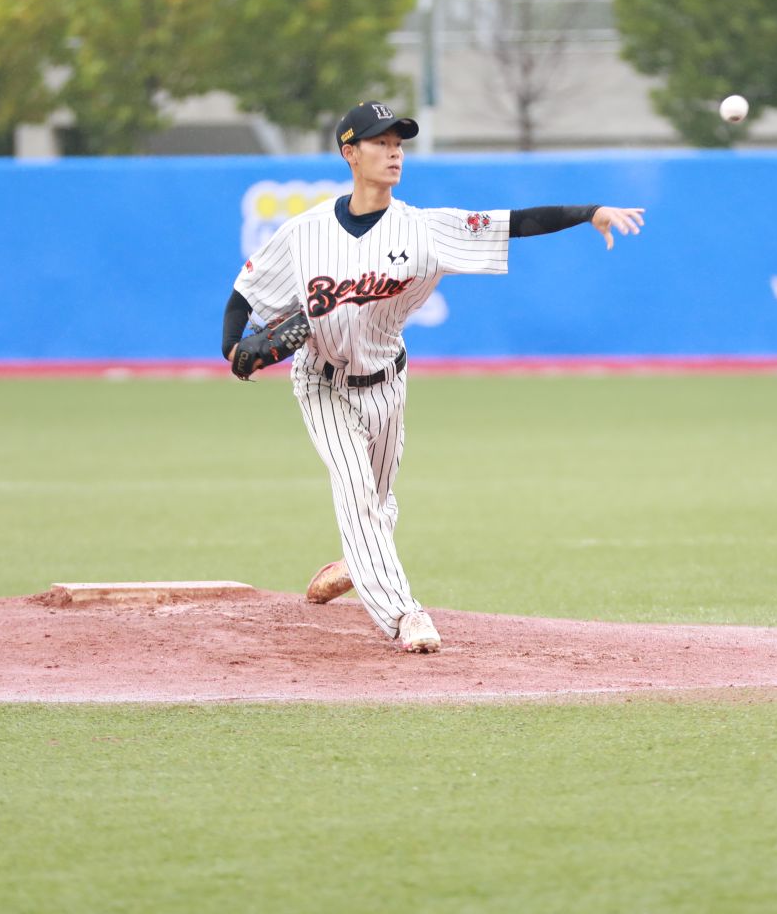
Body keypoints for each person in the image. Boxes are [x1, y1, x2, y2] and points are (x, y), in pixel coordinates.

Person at [223, 100, 645, 652]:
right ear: (350, 153)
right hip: (322, 383)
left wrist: (590, 212)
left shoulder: (425, 230)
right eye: (379, 142)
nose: (394, 152)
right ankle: (404, 615)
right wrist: (232, 347)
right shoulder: (305, 233)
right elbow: (246, 292)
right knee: (356, 493)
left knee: (377, 503)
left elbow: (513, 223)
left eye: (398, 143)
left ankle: (359, 561)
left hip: (387, 383)